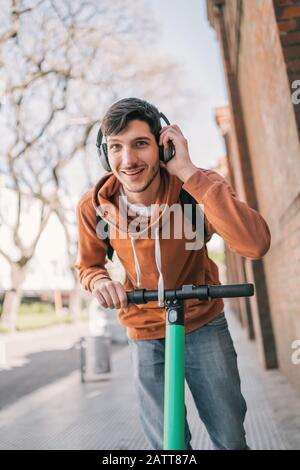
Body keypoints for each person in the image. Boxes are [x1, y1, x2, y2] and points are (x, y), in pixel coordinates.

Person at [74, 97, 271, 450]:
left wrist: (190, 174)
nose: (128, 159)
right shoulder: (96, 206)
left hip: (203, 322)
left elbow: (254, 244)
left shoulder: (195, 189)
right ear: (105, 154)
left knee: (230, 437)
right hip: (144, 328)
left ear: (163, 146)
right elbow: (89, 266)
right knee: (168, 444)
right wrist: (100, 281)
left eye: (140, 144)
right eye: (116, 147)